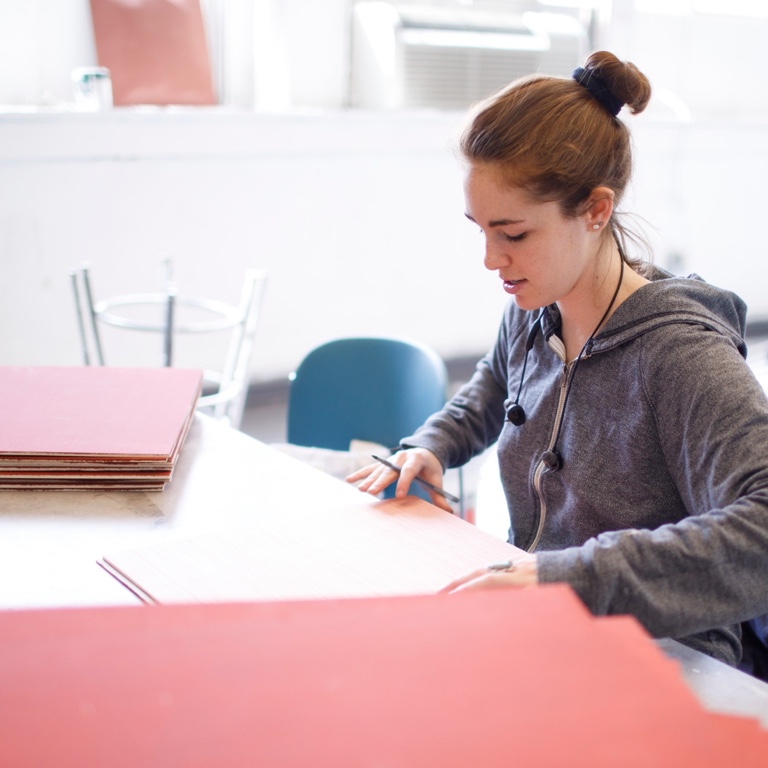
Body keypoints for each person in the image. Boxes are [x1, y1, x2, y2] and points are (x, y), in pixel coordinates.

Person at [347, 50, 768, 672]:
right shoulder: (532, 304)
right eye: (480, 230)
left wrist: (560, 580)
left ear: (596, 210)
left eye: (513, 234)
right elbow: (493, 389)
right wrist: (432, 444)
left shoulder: (680, 354)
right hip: (543, 628)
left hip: (666, 658)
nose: (492, 259)